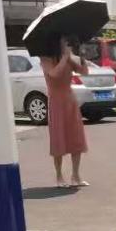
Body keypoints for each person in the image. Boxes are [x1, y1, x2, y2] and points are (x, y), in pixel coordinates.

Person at [42, 36, 89, 187]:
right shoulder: (45, 59)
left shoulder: (68, 58)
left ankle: (76, 175)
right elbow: (54, 74)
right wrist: (64, 58)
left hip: (70, 100)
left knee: (76, 137)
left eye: (67, 42)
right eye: (63, 42)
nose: (66, 45)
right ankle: (59, 176)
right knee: (59, 138)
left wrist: (81, 57)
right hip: (56, 101)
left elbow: (84, 72)